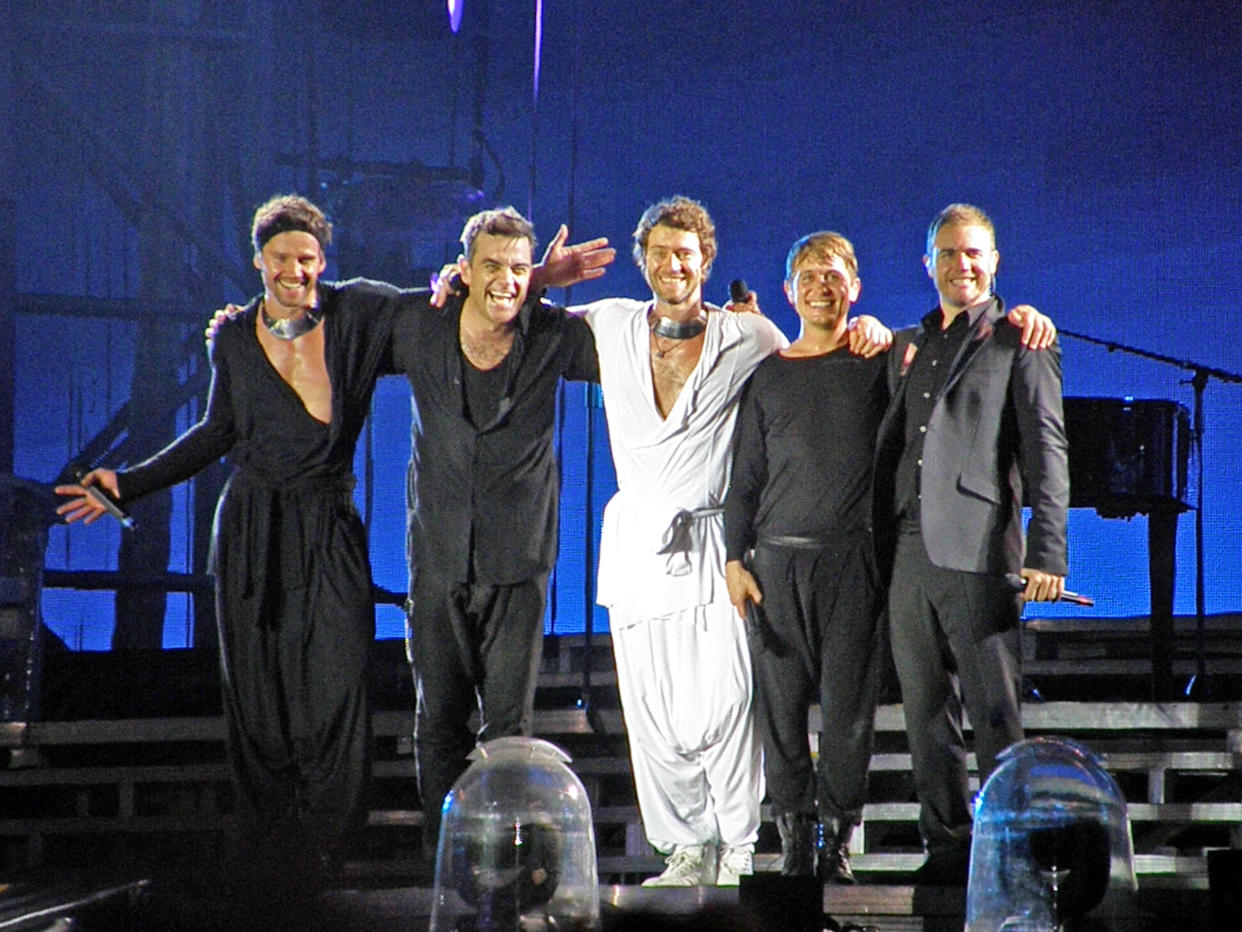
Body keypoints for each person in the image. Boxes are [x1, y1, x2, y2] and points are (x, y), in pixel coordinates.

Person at [54, 195, 407, 890]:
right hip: (252, 528)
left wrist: (492, 282)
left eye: (306, 259)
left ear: (322, 262)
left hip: (328, 523)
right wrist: (127, 483)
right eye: (281, 258)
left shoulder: (355, 313)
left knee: (338, 687)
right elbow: (216, 432)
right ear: (259, 261)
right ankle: (270, 854)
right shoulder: (235, 337)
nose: (295, 270)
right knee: (258, 699)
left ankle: (331, 849)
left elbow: (429, 305)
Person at [571, 197, 892, 888]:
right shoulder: (611, 323)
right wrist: (533, 278)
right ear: (643, 259)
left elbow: (823, 352)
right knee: (653, 711)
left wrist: (873, 329)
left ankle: (746, 845)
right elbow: (521, 322)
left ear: (706, 261)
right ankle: (685, 848)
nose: (672, 264)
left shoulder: (748, 338)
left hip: (741, 543)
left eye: (686, 253)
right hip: (651, 548)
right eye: (660, 252)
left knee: (728, 703)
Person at [391, 206, 604, 858]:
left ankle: (501, 878)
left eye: (519, 268)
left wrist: (735, 324)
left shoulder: (554, 335)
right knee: (439, 725)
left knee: (509, 731)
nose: (507, 281)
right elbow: (335, 316)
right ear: (463, 270)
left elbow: (647, 342)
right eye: (493, 266)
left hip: (519, 563)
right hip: (438, 560)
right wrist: (244, 323)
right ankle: (446, 871)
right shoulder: (420, 325)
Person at [871, 203, 1069, 885]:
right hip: (906, 549)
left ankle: (1013, 852)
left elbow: (1047, 449)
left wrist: (1047, 552)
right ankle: (949, 848)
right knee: (926, 709)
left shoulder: (1021, 341)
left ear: (995, 262)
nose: (964, 265)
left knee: (993, 711)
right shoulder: (908, 342)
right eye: (950, 254)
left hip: (980, 552)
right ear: (929, 263)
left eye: (975, 253)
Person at [722, 232, 888, 885]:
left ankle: (837, 843)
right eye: (810, 277)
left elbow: (932, 348)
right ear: (789, 292)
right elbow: (744, 479)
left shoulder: (879, 364)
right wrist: (734, 560)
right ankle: (793, 842)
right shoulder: (767, 377)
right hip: (778, 569)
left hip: (853, 566)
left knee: (849, 715)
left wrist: (878, 331)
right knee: (782, 712)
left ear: (855, 288)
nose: (823, 286)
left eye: (836, 275)